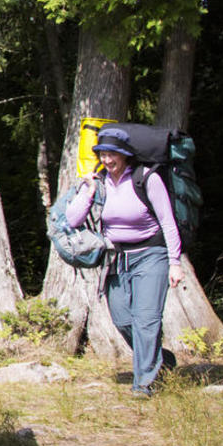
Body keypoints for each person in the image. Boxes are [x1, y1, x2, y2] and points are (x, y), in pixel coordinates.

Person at [64, 124, 183, 396]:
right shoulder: (99, 182)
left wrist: (174, 262)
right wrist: (90, 190)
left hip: (152, 255)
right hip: (116, 258)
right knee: (122, 320)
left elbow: (168, 221)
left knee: (146, 319)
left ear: (125, 155)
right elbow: (72, 220)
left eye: (112, 154)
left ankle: (144, 384)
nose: (107, 160)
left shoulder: (146, 179)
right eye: (102, 154)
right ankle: (160, 360)